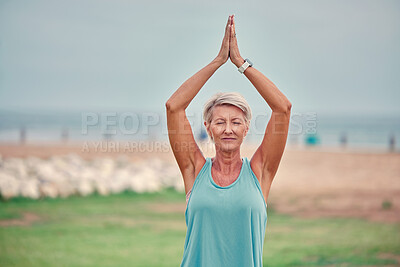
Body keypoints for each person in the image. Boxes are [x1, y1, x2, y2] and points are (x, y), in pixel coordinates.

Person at [166, 15, 292, 267]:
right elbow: (173, 107)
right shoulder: (194, 170)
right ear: (208, 128)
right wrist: (218, 61)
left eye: (236, 122)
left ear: (246, 129)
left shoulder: (259, 172)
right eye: (220, 122)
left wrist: (240, 64)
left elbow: (283, 108)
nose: (228, 129)